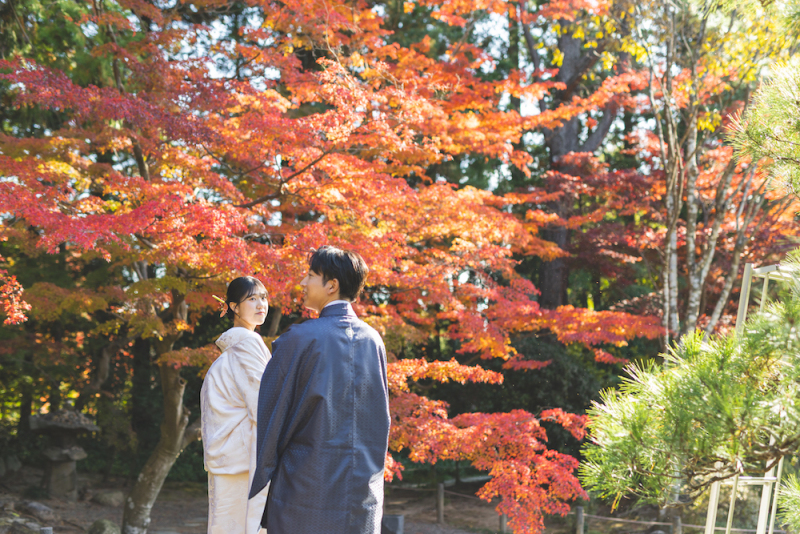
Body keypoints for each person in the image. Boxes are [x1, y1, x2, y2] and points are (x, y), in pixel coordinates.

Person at [249, 246, 391, 534]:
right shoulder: (373, 340)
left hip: (305, 490)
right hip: (363, 491)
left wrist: (264, 471)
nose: (303, 283)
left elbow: (272, 415)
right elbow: (380, 421)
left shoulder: (298, 339)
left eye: (311, 275)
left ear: (331, 285)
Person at [201, 276, 272, 534]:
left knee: (228, 524)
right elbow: (263, 403)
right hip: (242, 454)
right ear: (234, 307)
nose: (261, 304)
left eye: (263, 297)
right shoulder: (247, 343)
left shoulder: (238, 346)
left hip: (231, 452)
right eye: (251, 299)